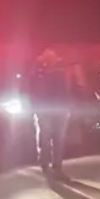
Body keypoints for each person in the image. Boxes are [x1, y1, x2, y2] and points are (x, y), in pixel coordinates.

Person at [27, 48, 72, 180]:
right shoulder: (37, 73)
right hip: (45, 108)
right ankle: (46, 164)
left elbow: (67, 89)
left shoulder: (60, 72)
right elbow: (31, 90)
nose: (50, 60)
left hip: (58, 108)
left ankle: (56, 167)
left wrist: (68, 106)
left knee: (57, 138)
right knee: (46, 137)